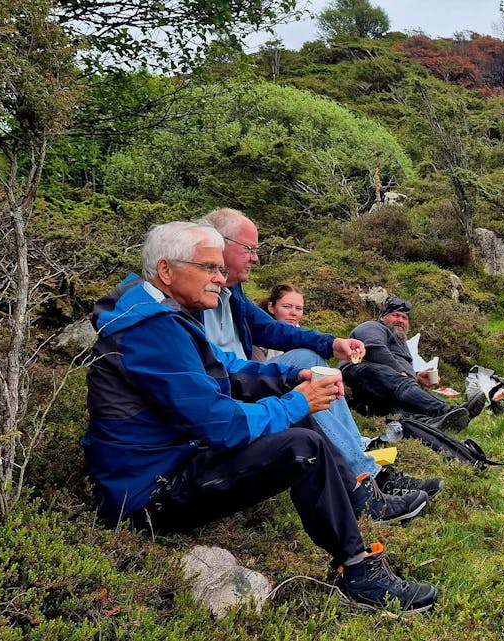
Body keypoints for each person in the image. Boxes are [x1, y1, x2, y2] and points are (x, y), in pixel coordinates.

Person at [83, 222, 436, 612]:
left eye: (220, 268)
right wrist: (295, 403)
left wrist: (289, 375)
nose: (220, 279)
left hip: (173, 460)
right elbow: (221, 426)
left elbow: (223, 367)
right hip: (150, 495)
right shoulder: (151, 330)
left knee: (294, 419)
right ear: (166, 270)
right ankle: (358, 573)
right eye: (209, 268)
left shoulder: (160, 312)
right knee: (303, 446)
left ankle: (357, 496)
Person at [200, 209, 442, 498]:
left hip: (246, 378)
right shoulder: (187, 300)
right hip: (229, 389)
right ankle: (367, 480)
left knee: (311, 361)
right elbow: (216, 365)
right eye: (250, 249)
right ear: (218, 243)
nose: (256, 258)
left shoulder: (232, 291)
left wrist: (331, 344)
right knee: (308, 371)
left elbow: (272, 330)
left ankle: (361, 458)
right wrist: (288, 374)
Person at [342, 296, 486, 431]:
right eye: (396, 315)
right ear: (382, 318)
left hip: (381, 391)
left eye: (404, 318)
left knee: (403, 408)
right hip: (359, 374)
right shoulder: (373, 326)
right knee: (400, 385)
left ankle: (439, 422)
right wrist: (401, 372)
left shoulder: (401, 343)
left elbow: (397, 375)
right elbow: (373, 347)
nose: (400, 320)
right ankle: (447, 411)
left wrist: (417, 377)